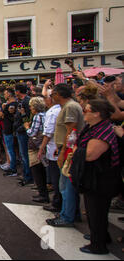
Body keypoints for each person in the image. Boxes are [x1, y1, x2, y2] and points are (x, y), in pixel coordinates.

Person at [71, 99, 121, 254]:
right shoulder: (96, 127)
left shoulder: (103, 131)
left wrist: (74, 150)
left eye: (86, 110)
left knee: (97, 211)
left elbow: (91, 155)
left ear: (97, 113)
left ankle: (98, 245)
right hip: (94, 177)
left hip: (100, 179)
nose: (83, 112)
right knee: (95, 210)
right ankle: (100, 236)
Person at [46, 84, 85, 227]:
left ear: (58, 94)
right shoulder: (68, 106)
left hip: (70, 150)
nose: (51, 97)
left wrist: (63, 152)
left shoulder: (69, 107)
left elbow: (71, 131)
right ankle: (72, 213)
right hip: (66, 148)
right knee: (67, 185)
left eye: (52, 94)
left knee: (66, 186)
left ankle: (67, 216)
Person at [38, 85, 62, 213]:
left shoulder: (53, 112)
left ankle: (57, 204)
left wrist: (41, 149)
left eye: (46, 98)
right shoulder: (58, 109)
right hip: (56, 149)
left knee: (56, 178)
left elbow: (48, 133)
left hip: (54, 149)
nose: (44, 101)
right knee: (57, 178)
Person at [24, 97, 48, 203]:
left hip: (36, 144)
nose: (30, 108)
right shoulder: (46, 114)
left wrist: (26, 127)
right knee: (42, 169)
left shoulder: (37, 116)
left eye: (31, 106)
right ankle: (43, 192)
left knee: (36, 168)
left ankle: (42, 194)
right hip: (42, 144)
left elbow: (32, 132)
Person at [14, 83, 33, 186]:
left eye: (15, 91)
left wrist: (20, 128)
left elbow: (29, 118)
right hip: (20, 130)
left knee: (25, 155)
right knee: (23, 154)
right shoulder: (22, 101)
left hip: (23, 131)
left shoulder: (27, 101)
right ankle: (26, 174)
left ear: (18, 91)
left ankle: (28, 176)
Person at [0, 87, 19, 176]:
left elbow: (2, 115)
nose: (4, 95)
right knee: (10, 149)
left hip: (9, 129)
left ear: (9, 94)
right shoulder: (14, 104)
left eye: (6, 93)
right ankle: (11, 166)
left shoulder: (10, 105)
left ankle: (12, 168)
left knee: (10, 150)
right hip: (9, 128)